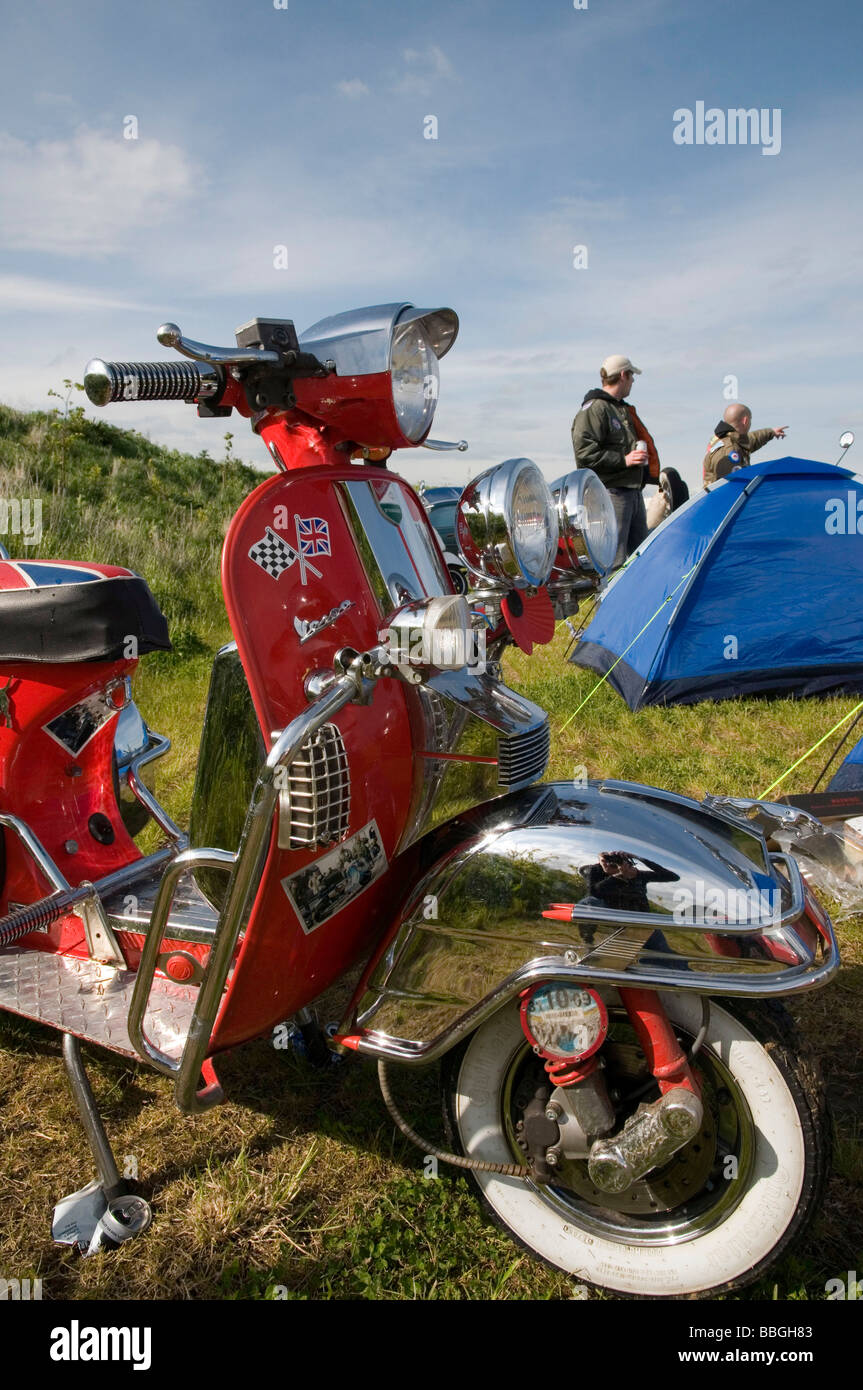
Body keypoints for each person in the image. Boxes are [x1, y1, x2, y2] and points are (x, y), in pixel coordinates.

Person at [571, 355, 658, 568]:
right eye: (631, 377)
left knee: (643, 556)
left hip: (631, 492)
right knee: (614, 558)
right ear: (623, 375)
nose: (633, 382)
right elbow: (584, 454)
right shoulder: (596, 409)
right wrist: (624, 460)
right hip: (612, 494)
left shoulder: (619, 409)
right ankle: (610, 599)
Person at [702, 404, 788, 487]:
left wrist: (771, 432)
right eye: (750, 420)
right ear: (745, 420)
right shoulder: (729, 450)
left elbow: (752, 439)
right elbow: (731, 486)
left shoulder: (729, 439)